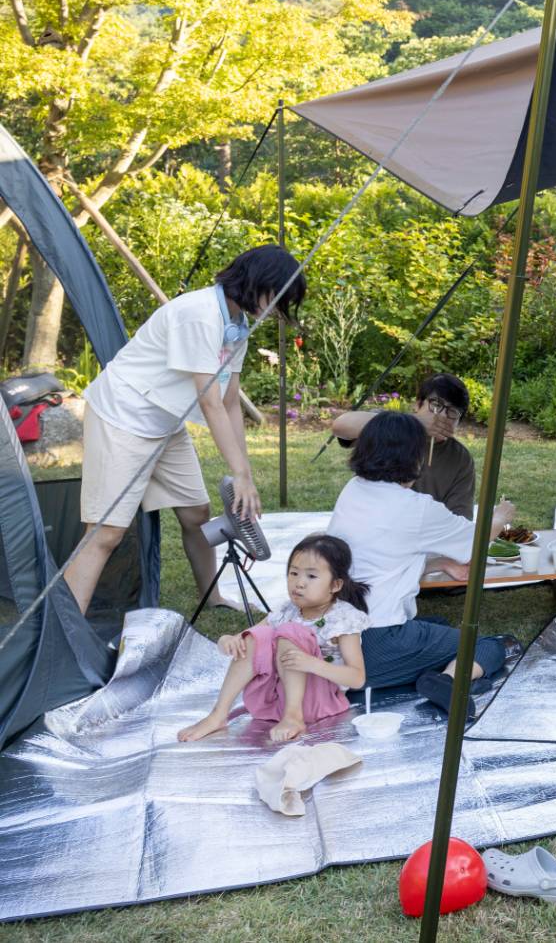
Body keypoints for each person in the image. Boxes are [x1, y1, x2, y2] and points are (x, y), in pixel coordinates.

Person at [65, 245, 307, 614]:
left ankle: (211, 598)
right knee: (106, 532)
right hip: (124, 416)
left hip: (166, 421)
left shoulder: (238, 323)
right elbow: (209, 402)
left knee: (196, 513)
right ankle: (64, 634)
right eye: (277, 297)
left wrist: (245, 473)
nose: (276, 309)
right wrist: (239, 474)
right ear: (257, 282)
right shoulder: (199, 314)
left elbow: (228, 401)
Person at [326, 411, 515, 715]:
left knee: (436, 625)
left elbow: (377, 557)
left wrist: (439, 563)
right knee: (486, 646)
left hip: (335, 630)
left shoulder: (354, 489)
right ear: (414, 458)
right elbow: (474, 544)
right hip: (374, 642)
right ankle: (447, 680)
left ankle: (426, 670)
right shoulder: (415, 508)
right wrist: (500, 517)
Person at [177, 533, 369, 743]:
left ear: (335, 585)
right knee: (258, 636)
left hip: (319, 702)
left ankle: (293, 716)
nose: (299, 583)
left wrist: (312, 664)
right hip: (275, 700)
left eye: (311, 576)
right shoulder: (288, 610)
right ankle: (218, 714)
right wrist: (227, 640)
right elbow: (246, 639)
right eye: (294, 573)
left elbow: (357, 678)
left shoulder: (343, 618)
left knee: (289, 632)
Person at [331, 373, 476, 516]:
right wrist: (414, 423)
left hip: (422, 531)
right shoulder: (390, 427)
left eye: (453, 412)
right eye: (436, 404)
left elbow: (460, 517)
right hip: (372, 518)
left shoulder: (461, 459)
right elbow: (340, 426)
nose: (442, 415)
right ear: (418, 404)